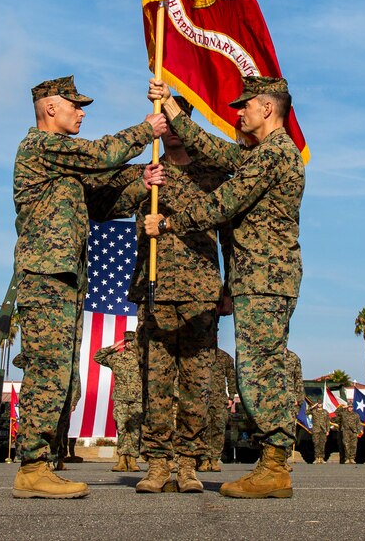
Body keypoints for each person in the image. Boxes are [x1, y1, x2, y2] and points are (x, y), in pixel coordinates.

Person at [146, 75, 306, 499]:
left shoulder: (274, 155)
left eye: (245, 106)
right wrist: (174, 110)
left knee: (258, 370)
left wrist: (167, 223)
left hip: (265, 279)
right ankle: (273, 463)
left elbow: (221, 204)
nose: (238, 113)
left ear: (267, 108)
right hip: (259, 278)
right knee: (258, 367)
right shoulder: (262, 154)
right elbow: (214, 150)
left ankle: (274, 466)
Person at [12, 75, 166, 500]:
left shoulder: (62, 165)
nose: (81, 112)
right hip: (46, 276)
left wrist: (143, 179)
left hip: (64, 276)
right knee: (48, 369)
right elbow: (101, 155)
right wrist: (144, 130)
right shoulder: (39, 147)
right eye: (74, 105)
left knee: (60, 371)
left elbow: (101, 202)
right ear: (50, 109)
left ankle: (42, 463)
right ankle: (32, 467)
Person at [128, 98, 229, 495]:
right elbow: (113, 209)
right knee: (154, 384)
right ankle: (156, 465)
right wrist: (142, 183)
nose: (168, 127)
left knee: (196, 385)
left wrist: (231, 290)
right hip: (156, 291)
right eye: (164, 120)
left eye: (175, 120)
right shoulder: (151, 172)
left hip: (202, 295)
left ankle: (188, 464)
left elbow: (231, 234)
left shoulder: (212, 173)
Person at [94, 331, 142, 472]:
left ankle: (133, 460)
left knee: (135, 431)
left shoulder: (142, 358)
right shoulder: (116, 358)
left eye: (131, 341)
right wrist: (112, 347)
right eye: (126, 341)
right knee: (121, 429)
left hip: (137, 399)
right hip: (120, 398)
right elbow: (97, 357)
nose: (129, 343)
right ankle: (121, 459)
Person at [199, 347, 237, 473]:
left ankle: (215, 459)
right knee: (203, 428)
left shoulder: (224, 357)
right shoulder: (199, 355)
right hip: (202, 398)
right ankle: (204, 459)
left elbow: (232, 377)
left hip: (219, 399)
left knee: (218, 429)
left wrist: (231, 396)